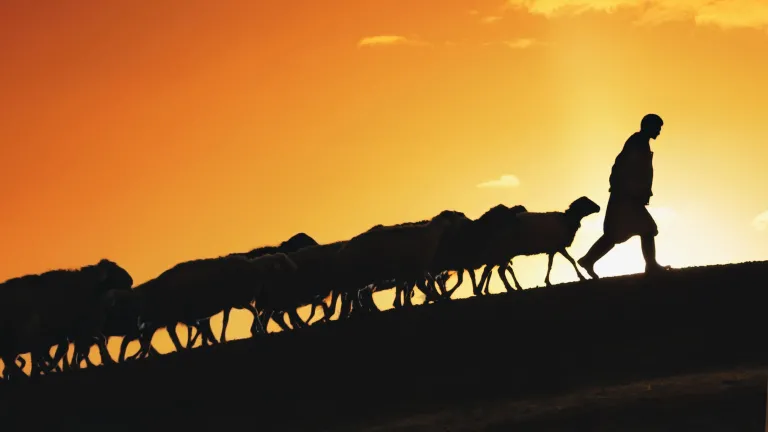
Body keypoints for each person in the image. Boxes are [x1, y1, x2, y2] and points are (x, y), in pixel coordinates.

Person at [577, 113, 671, 278]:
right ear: (649, 126)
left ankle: (588, 259)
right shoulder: (637, 143)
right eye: (658, 127)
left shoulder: (640, 143)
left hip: (627, 198)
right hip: (626, 199)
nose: (659, 131)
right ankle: (651, 266)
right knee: (647, 229)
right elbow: (622, 168)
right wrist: (631, 191)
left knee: (616, 234)